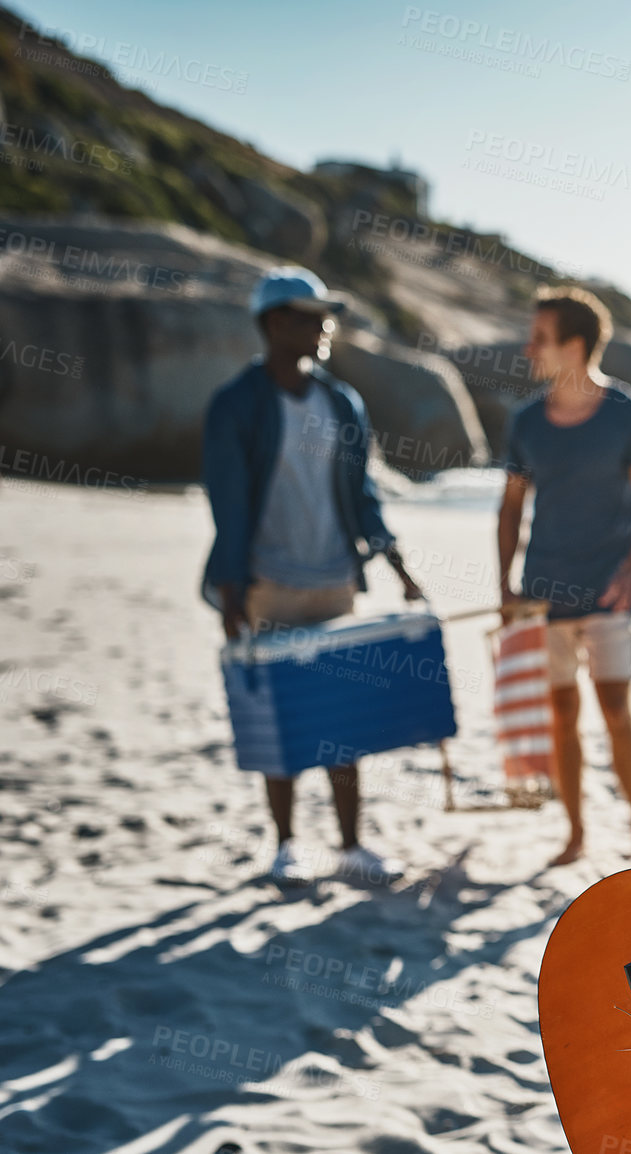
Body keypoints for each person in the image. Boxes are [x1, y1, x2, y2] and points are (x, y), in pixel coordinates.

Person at [201, 266, 420, 886]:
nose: (325, 325)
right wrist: (230, 586)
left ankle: (352, 845)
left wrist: (396, 563)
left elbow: (363, 493)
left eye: (327, 314)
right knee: (283, 714)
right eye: (311, 314)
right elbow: (226, 501)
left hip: (333, 578)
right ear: (275, 323)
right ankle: (287, 844)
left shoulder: (341, 401)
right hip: (267, 579)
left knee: (342, 716)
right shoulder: (236, 404)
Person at [497, 286, 631, 866]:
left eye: (539, 338)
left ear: (574, 346)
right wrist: (504, 586)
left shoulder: (628, 413)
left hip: (606, 594)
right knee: (560, 714)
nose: (529, 349)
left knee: (617, 709)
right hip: (542, 594)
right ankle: (575, 835)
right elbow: (511, 507)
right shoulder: (526, 421)